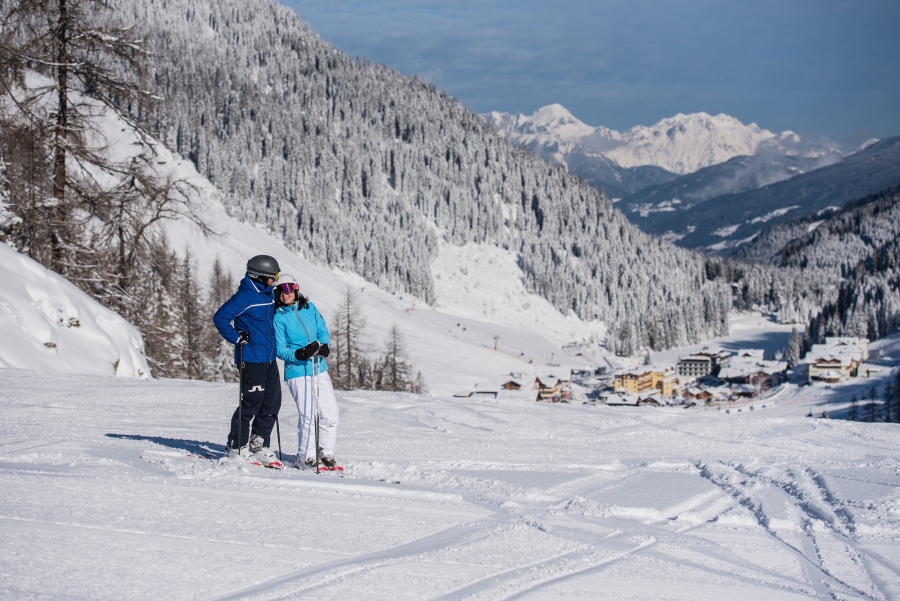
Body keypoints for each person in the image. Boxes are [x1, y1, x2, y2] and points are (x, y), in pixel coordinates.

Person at [212, 255, 284, 468]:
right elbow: (220, 318)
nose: (275, 281)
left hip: (269, 357)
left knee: (272, 402)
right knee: (251, 402)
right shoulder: (245, 297)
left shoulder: (268, 294)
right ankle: (236, 446)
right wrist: (236, 337)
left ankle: (258, 444)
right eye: (273, 277)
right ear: (259, 277)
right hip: (251, 358)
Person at [272, 275, 339, 469]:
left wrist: (324, 346)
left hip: (318, 367)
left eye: (288, 289)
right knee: (308, 415)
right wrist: (299, 354)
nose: (285, 294)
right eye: (281, 290)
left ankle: (326, 452)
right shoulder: (278, 317)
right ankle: (306, 456)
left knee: (330, 412)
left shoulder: (309, 308)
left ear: (296, 289)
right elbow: (279, 349)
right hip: (297, 371)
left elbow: (322, 331)